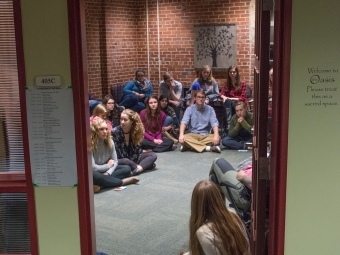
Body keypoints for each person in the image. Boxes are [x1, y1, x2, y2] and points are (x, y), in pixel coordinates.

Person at [180, 180, 249, 255]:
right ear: (218, 197)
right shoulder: (232, 214)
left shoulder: (203, 232)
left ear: (196, 205)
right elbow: (246, 245)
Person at [91, 119, 139, 193]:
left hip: (106, 171)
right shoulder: (90, 145)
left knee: (126, 168)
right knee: (95, 176)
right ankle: (122, 182)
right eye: (101, 129)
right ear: (95, 131)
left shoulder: (110, 141)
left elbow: (115, 161)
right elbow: (93, 168)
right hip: (96, 171)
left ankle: (102, 184)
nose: (105, 132)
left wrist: (108, 173)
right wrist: (107, 165)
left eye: (106, 129)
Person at [112, 109, 157, 176]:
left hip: (132, 158)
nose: (122, 122)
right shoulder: (115, 132)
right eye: (121, 119)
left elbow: (136, 150)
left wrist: (134, 161)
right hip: (120, 159)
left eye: (125, 120)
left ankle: (136, 170)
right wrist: (134, 163)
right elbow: (118, 154)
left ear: (131, 121)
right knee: (127, 161)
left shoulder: (135, 131)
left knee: (153, 155)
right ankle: (141, 167)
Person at [219, 65, 248, 130]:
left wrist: (229, 98)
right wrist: (224, 97)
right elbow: (221, 94)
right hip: (229, 103)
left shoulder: (242, 83)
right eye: (230, 72)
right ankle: (229, 123)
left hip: (239, 102)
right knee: (228, 102)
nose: (232, 74)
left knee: (230, 103)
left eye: (234, 72)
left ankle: (229, 124)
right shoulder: (226, 83)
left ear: (237, 73)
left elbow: (242, 97)